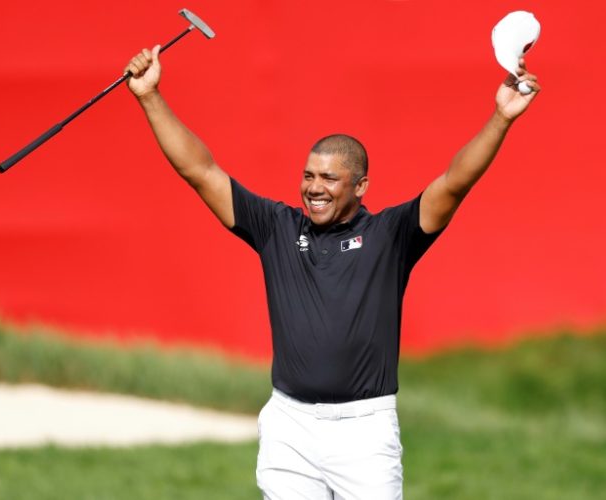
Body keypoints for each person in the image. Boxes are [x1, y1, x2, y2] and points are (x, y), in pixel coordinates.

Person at [125, 44, 539, 499]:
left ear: (360, 186)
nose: (313, 189)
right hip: (290, 425)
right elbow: (201, 171)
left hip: (363, 432)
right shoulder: (276, 228)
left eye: (328, 179)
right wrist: (150, 97)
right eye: (308, 176)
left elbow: (454, 182)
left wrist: (501, 118)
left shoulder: (391, 235)